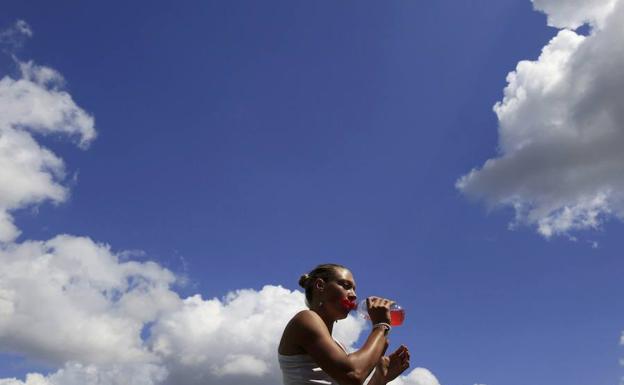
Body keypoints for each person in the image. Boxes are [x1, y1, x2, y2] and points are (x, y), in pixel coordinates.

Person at [278, 263, 410, 385]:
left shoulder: (339, 347)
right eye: (346, 286)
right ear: (320, 285)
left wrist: (380, 378)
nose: (353, 295)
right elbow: (354, 375)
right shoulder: (305, 319)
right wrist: (381, 326)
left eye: (354, 289)